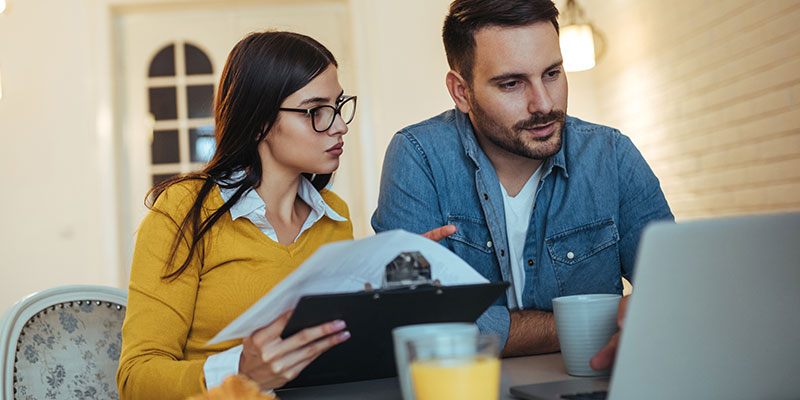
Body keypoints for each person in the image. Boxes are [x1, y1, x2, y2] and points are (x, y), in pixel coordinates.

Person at [117, 31, 452, 399]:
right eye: (316, 111)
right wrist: (241, 373)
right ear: (259, 119)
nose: (339, 125)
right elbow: (137, 380)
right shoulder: (183, 212)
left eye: (338, 105)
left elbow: (335, 350)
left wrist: (387, 288)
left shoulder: (334, 217)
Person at [371, 0, 674, 361]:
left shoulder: (612, 155)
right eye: (512, 83)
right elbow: (417, 324)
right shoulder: (418, 157)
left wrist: (491, 329)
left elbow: (674, 295)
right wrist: (593, 323)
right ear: (461, 92)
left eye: (552, 73)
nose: (543, 104)